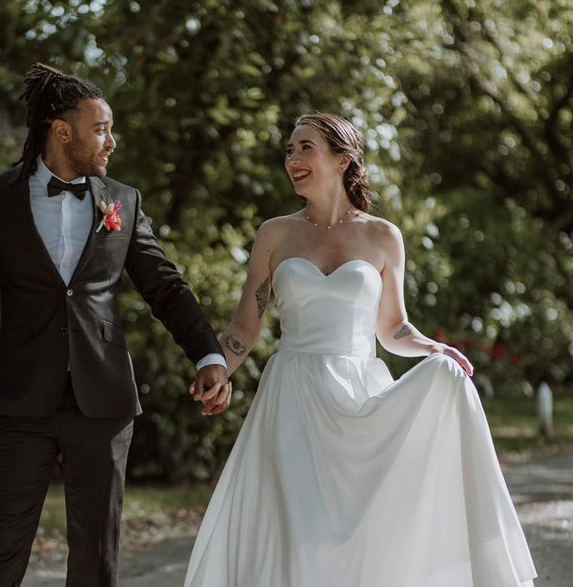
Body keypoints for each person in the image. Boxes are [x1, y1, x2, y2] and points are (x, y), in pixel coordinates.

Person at [184, 112, 536, 587]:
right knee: (299, 528)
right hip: (292, 397)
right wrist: (218, 369)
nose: (292, 159)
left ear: (342, 158)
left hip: (357, 393)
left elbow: (392, 328)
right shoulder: (275, 234)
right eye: (289, 151)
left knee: (362, 527)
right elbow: (245, 326)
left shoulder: (383, 236)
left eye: (305, 147)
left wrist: (434, 348)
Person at [0, 63, 230, 586]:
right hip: (16, 400)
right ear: (62, 130)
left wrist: (208, 354)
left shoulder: (121, 200)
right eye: (100, 128)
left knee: (97, 556)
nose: (111, 141)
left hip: (103, 401)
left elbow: (164, 285)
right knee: (2, 551)